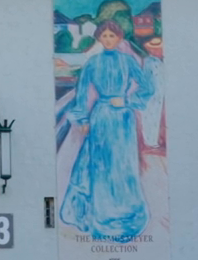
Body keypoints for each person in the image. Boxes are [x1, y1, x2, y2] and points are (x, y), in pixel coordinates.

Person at [58, 18, 154, 242]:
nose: (108, 40)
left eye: (112, 36)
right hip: (100, 116)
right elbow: (82, 93)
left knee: (124, 166)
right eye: (104, 36)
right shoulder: (92, 63)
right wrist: (83, 119)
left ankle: (126, 212)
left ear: (119, 38)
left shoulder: (128, 62)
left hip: (122, 118)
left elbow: (148, 86)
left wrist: (128, 100)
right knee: (100, 166)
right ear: (99, 38)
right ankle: (102, 216)